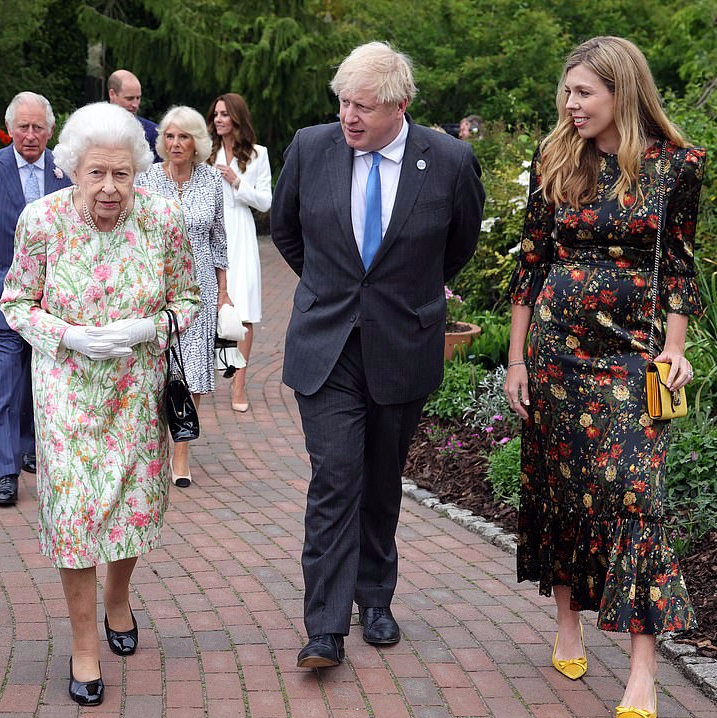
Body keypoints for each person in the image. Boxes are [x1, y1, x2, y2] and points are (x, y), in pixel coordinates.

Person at [503, 36, 705, 718]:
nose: (569, 104)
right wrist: (515, 360)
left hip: (632, 356)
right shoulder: (556, 157)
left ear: (622, 90)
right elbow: (531, 262)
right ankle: (567, 620)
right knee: (562, 487)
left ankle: (644, 674)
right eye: (567, 92)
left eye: (582, 92)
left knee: (635, 498)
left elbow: (677, 267)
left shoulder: (675, 166)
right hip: (556, 352)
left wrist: (674, 350)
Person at [271, 41, 485, 669]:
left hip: (402, 344)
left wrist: (405, 297)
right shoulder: (311, 149)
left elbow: (459, 244)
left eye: (363, 106)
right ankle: (326, 629)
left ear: (401, 106)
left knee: (382, 479)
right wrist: (334, 289)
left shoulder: (447, 160)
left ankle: (376, 597)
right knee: (336, 476)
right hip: (327, 345)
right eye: (342, 102)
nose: (349, 116)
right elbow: (286, 229)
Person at [0, 102, 200, 706]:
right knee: (77, 518)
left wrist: (149, 329)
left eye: (123, 174)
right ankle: (84, 646)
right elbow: (14, 302)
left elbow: (189, 299)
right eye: (96, 174)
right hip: (66, 395)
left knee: (133, 509)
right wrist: (68, 335)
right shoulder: (41, 222)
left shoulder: (163, 220)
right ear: (72, 170)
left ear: (139, 171)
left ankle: (118, 599)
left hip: (135, 394)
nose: (110, 189)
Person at [0, 91, 73, 507]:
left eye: (38, 126)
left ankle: (29, 445)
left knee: (37, 377)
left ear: (50, 129)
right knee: (7, 381)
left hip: (48, 299)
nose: (31, 135)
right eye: (23, 127)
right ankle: (7, 473)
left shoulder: (64, 174)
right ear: (9, 129)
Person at [138, 105, 229, 487]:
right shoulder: (145, 179)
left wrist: (224, 292)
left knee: (192, 372)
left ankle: (181, 450)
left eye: (184, 137)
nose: (176, 143)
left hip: (202, 287)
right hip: (157, 288)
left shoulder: (211, 180)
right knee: (156, 369)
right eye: (170, 136)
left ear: (198, 143)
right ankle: (153, 444)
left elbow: (218, 239)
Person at [206, 92, 272, 412]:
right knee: (217, 310)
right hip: (211, 233)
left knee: (242, 311)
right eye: (215, 114)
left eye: (224, 114)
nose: (218, 119)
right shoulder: (205, 153)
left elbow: (265, 202)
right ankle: (226, 368)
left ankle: (238, 385)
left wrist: (236, 182)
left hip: (242, 233)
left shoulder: (258, 155)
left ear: (237, 118)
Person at [107, 69, 161, 163]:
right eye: (129, 99)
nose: (135, 105)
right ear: (112, 94)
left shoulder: (153, 133)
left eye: (138, 98)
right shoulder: (89, 127)